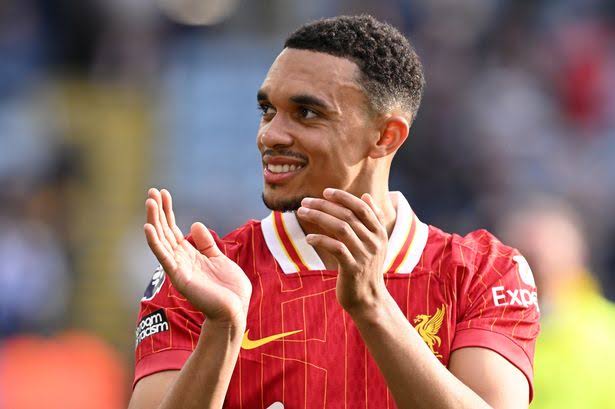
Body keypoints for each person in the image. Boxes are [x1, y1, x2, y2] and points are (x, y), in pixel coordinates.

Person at [128, 15, 539, 409]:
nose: (270, 135)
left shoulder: (482, 273)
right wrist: (222, 331)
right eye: (267, 110)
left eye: (307, 113)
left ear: (385, 136)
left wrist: (372, 306)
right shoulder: (204, 278)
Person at [497, 197, 615, 409]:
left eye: (539, 259)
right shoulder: (482, 329)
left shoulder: (608, 330)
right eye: (525, 258)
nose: (534, 272)